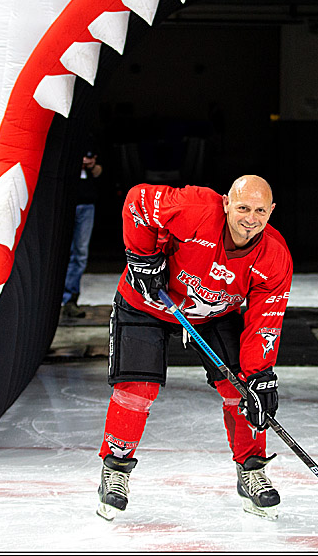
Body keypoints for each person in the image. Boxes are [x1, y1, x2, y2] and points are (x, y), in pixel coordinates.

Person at [96, 175, 293, 522]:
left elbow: (264, 322)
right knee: (137, 389)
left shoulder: (274, 256)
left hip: (213, 314)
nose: (250, 218)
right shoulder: (196, 208)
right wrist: (142, 256)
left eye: (260, 211)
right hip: (148, 301)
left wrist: (260, 374)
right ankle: (115, 469)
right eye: (243, 208)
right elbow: (138, 201)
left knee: (243, 389)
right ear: (226, 202)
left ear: (272, 210)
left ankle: (251, 469)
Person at [62, 148, 103, 319]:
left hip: (86, 206)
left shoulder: (91, 156)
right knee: (61, 253)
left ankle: (70, 299)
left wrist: (91, 165)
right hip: (65, 204)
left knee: (80, 253)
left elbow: (100, 172)